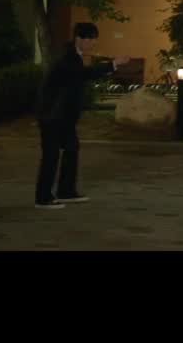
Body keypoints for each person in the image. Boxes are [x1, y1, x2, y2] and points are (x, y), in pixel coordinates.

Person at [35, 22, 129, 209]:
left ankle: (66, 191)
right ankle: (43, 198)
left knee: (71, 149)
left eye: (94, 40)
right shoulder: (68, 57)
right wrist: (113, 64)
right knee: (51, 156)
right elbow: (84, 74)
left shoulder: (73, 55)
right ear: (79, 38)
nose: (93, 44)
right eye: (90, 40)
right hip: (53, 115)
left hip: (63, 116)